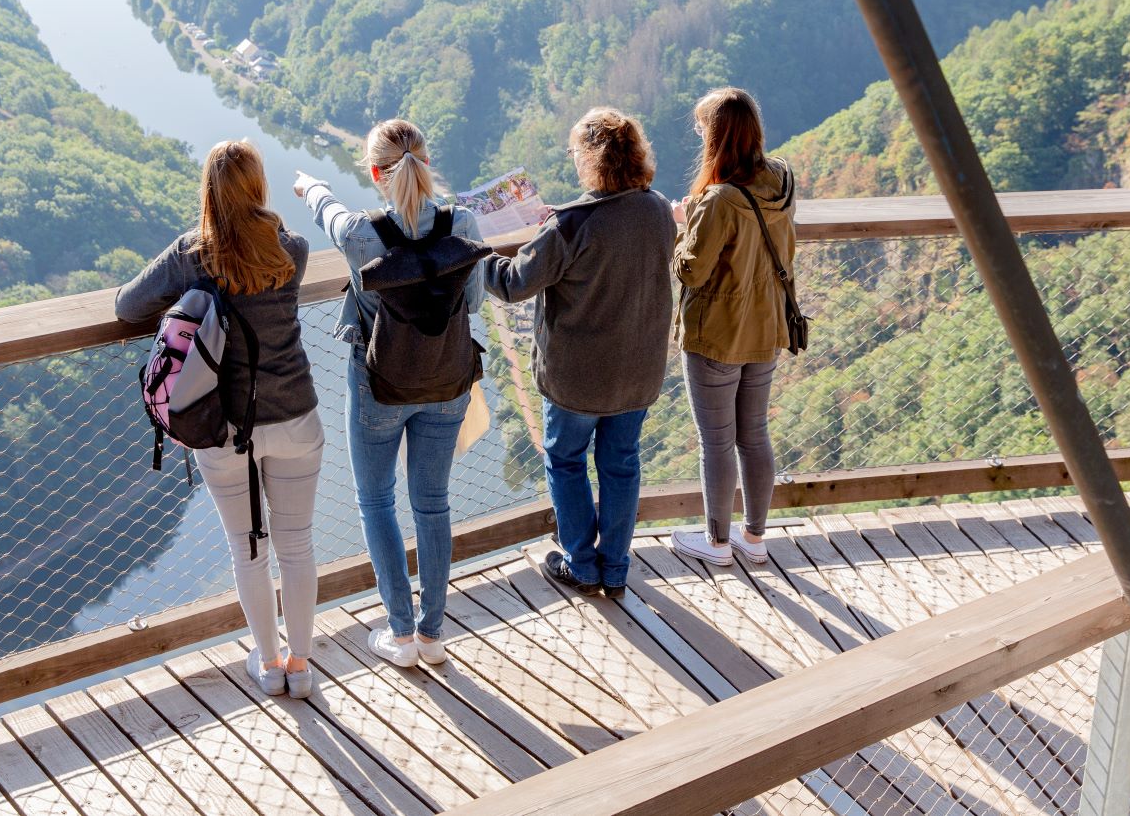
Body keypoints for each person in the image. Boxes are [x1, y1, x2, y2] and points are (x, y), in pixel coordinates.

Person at [116, 141, 322, 698]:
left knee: (247, 548)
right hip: (296, 417)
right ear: (259, 187)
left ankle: (270, 661)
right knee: (297, 544)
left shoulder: (192, 255)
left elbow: (126, 307)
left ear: (208, 192)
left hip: (225, 429)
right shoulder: (293, 250)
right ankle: (301, 667)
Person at [294, 119, 486, 667]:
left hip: (381, 383)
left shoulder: (362, 232)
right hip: (448, 382)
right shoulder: (462, 221)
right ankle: (431, 634)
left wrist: (311, 188)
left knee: (376, 500)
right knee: (433, 504)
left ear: (376, 173)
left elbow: (327, 213)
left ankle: (399, 634)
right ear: (426, 162)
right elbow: (471, 302)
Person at [483, 108, 675, 599]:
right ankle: (614, 568)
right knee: (621, 463)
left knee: (566, 460)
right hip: (638, 372)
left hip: (578, 379)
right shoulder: (655, 210)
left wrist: (475, 252)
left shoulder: (570, 225)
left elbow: (512, 284)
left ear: (591, 159)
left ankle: (582, 565)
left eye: (574, 153)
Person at [670, 88, 798, 568]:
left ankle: (718, 544)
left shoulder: (720, 200)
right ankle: (755, 538)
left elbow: (691, 272)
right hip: (767, 328)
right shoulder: (781, 180)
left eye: (703, 127)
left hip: (717, 336)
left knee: (717, 441)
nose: (699, 134)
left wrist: (684, 223)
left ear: (716, 135)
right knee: (755, 435)